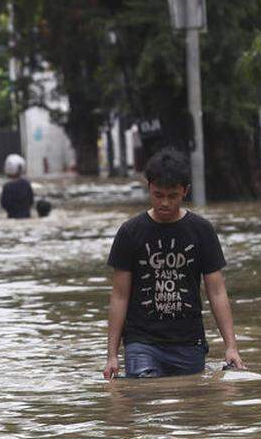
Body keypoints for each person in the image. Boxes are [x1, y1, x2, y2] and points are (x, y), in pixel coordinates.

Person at [104, 149, 244, 379]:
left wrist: (231, 347)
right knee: (146, 397)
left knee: (188, 408)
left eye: (173, 195)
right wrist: (112, 354)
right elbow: (119, 295)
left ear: (185, 191)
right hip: (142, 342)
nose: (165, 203)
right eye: (158, 195)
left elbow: (217, 291)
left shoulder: (201, 231)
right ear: (148, 187)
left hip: (189, 343)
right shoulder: (130, 232)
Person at [0, 153, 35, 219]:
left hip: (12, 216)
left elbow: (4, 204)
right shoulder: (26, 184)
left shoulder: (7, 186)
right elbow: (31, 201)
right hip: (26, 216)